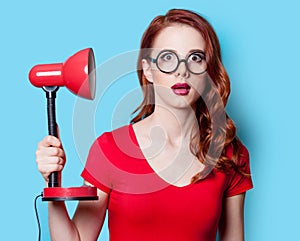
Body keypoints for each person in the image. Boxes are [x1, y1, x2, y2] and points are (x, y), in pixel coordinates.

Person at [36, 9, 253, 241]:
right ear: (148, 70)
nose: (182, 70)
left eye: (195, 58)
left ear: (207, 71)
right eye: (167, 58)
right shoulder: (110, 149)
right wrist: (52, 183)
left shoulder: (229, 152)